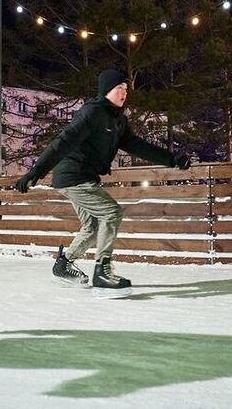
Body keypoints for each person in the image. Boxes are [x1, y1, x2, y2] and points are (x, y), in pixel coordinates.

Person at [15, 69, 191, 297]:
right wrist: (36, 171)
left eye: (126, 89)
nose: (124, 93)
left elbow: (138, 146)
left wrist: (171, 159)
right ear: (107, 90)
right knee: (111, 213)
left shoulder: (119, 120)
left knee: (93, 226)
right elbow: (64, 141)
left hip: (84, 177)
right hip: (73, 175)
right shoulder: (92, 113)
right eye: (119, 89)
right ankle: (102, 270)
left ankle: (64, 264)